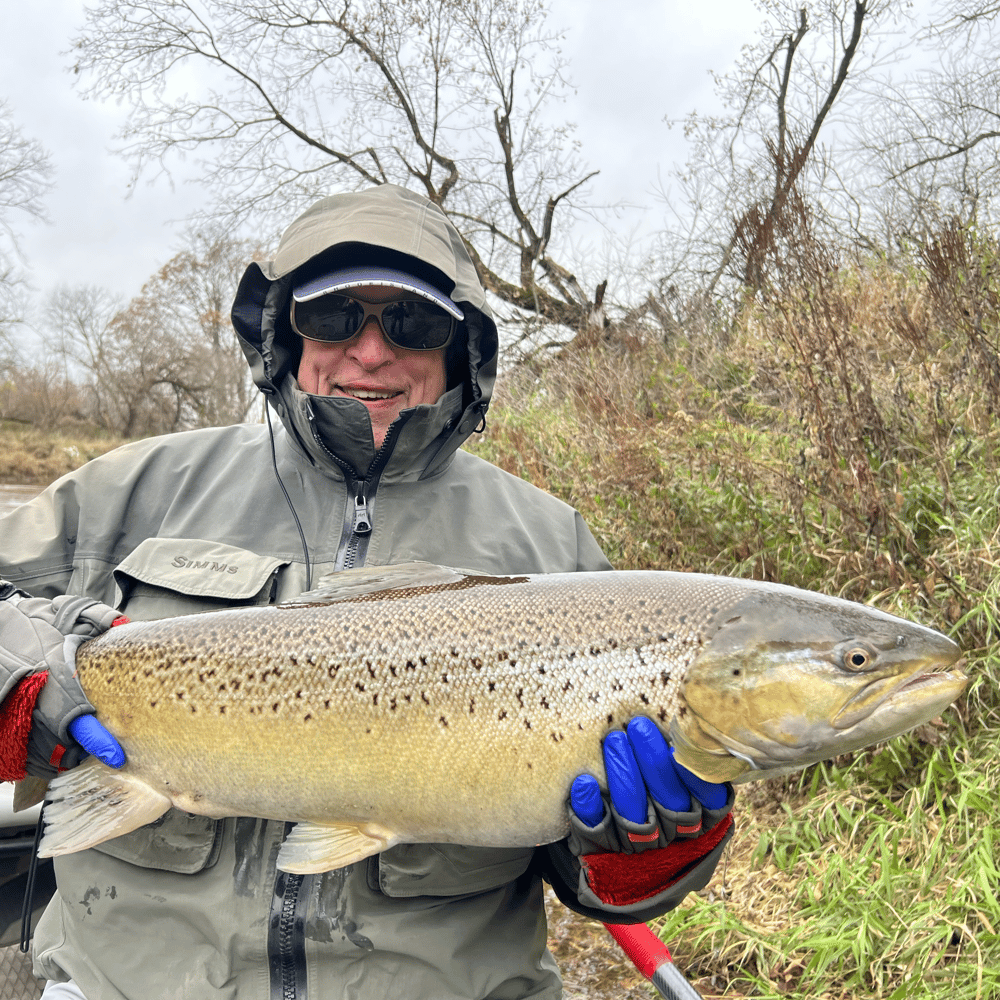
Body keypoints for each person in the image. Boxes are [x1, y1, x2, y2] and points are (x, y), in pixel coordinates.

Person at [0, 184, 733, 1000]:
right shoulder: (141, 487)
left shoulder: (553, 548)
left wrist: (649, 856)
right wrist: (20, 674)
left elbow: (581, 870)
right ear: (286, 336)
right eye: (335, 316)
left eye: (413, 324)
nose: (372, 352)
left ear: (462, 350)